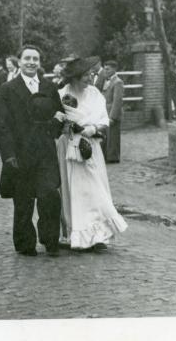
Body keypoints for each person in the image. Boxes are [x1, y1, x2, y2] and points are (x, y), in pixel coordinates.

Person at [0, 45, 65, 257]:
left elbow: (59, 114)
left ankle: (51, 239)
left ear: (40, 63)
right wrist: (8, 155)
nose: (31, 62)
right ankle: (25, 243)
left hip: (45, 152)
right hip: (21, 153)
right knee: (23, 200)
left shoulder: (49, 87)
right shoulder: (8, 89)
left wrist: (55, 124)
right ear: (19, 61)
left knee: (50, 194)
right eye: (27, 58)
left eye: (35, 59)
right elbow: (2, 124)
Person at [57, 56, 127, 252]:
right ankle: (77, 235)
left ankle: (99, 236)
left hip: (91, 146)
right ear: (75, 77)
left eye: (90, 74)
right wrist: (65, 124)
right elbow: (56, 119)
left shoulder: (95, 93)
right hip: (70, 147)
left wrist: (94, 128)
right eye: (85, 75)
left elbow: (104, 119)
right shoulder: (62, 94)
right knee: (76, 190)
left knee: (95, 188)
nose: (89, 78)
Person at [101, 60, 124, 163]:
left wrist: (112, 116)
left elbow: (117, 100)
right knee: (106, 136)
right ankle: (107, 156)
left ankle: (113, 157)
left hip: (112, 113)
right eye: (105, 68)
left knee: (113, 136)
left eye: (108, 69)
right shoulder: (106, 81)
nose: (105, 71)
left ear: (114, 69)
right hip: (105, 112)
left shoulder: (118, 82)